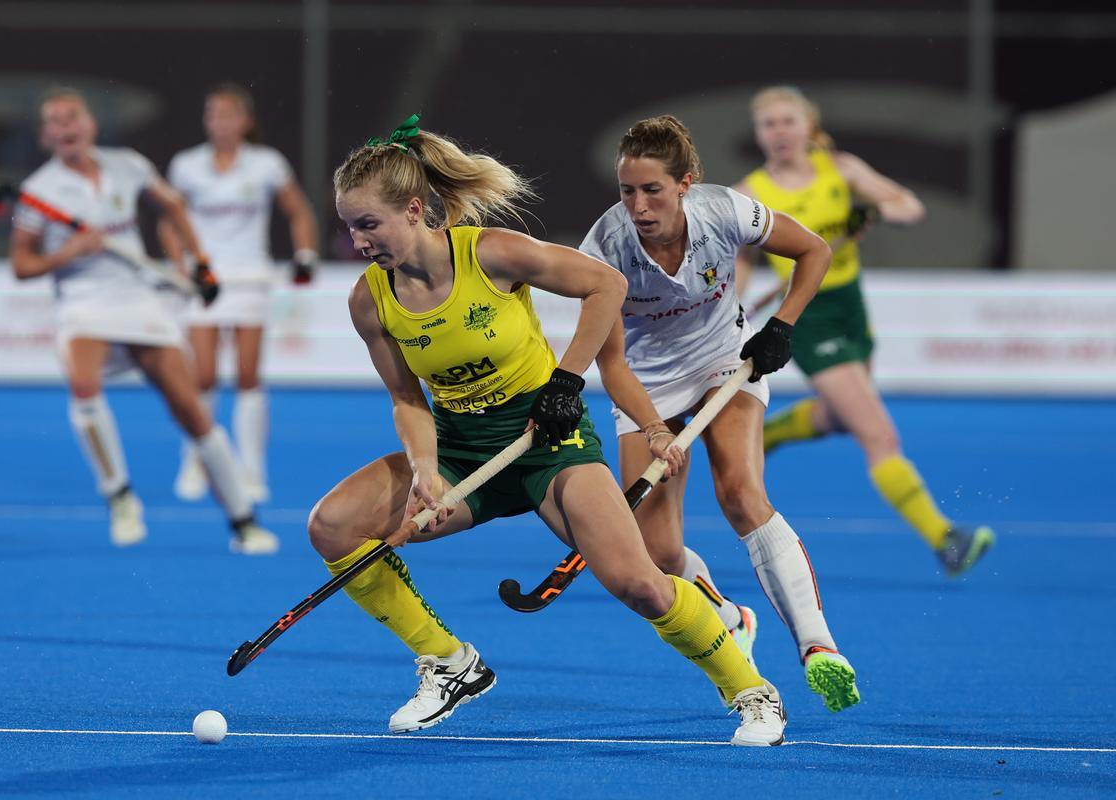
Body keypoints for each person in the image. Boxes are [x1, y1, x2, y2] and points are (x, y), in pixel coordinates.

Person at [306, 115, 787, 745]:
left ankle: (753, 692)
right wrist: (425, 471)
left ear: (416, 209)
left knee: (640, 584)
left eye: (368, 224)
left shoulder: (490, 253)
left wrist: (566, 381)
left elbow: (605, 286)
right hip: (460, 451)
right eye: (350, 227)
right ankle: (451, 664)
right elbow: (407, 398)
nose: (358, 240)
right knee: (333, 524)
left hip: (548, 443)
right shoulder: (369, 300)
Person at [583, 114, 859, 714]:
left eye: (652, 189)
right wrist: (656, 430)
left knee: (740, 494)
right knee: (657, 555)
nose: (638, 205)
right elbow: (612, 368)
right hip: (644, 384)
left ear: (685, 184)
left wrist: (781, 326)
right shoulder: (603, 250)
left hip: (723, 362)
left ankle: (819, 646)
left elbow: (814, 250)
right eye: (627, 191)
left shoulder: (724, 211)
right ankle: (731, 616)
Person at [734, 86, 995, 577]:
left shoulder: (842, 169)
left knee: (839, 416)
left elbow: (909, 206)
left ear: (808, 125)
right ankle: (945, 538)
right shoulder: (751, 194)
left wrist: (875, 211)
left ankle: (766, 434)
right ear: (759, 135)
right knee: (878, 434)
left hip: (851, 307)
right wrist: (735, 305)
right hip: (805, 314)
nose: (780, 132)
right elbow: (742, 258)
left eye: (788, 121)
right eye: (769, 124)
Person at [8, 87, 278, 555]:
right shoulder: (38, 192)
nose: (66, 125)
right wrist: (70, 252)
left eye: (73, 116)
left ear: (90, 124)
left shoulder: (127, 164)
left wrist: (200, 264)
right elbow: (21, 266)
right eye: (54, 121)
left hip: (138, 297)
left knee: (193, 412)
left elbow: (173, 207)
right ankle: (119, 495)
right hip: (83, 301)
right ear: (45, 135)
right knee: (84, 387)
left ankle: (243, 521)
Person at [164, 84, 319, 504]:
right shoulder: (186, 165)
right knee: (203, 377)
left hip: (250, 278)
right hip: (205, 279)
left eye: (229, 114)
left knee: (248, 378)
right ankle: (196, 461)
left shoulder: (267, 164)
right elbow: (169, 221)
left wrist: (305, 254)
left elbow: (298, 210)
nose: (220, 122)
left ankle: (251, 472)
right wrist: (182, 267)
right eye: (213, 114)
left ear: (246, 121)